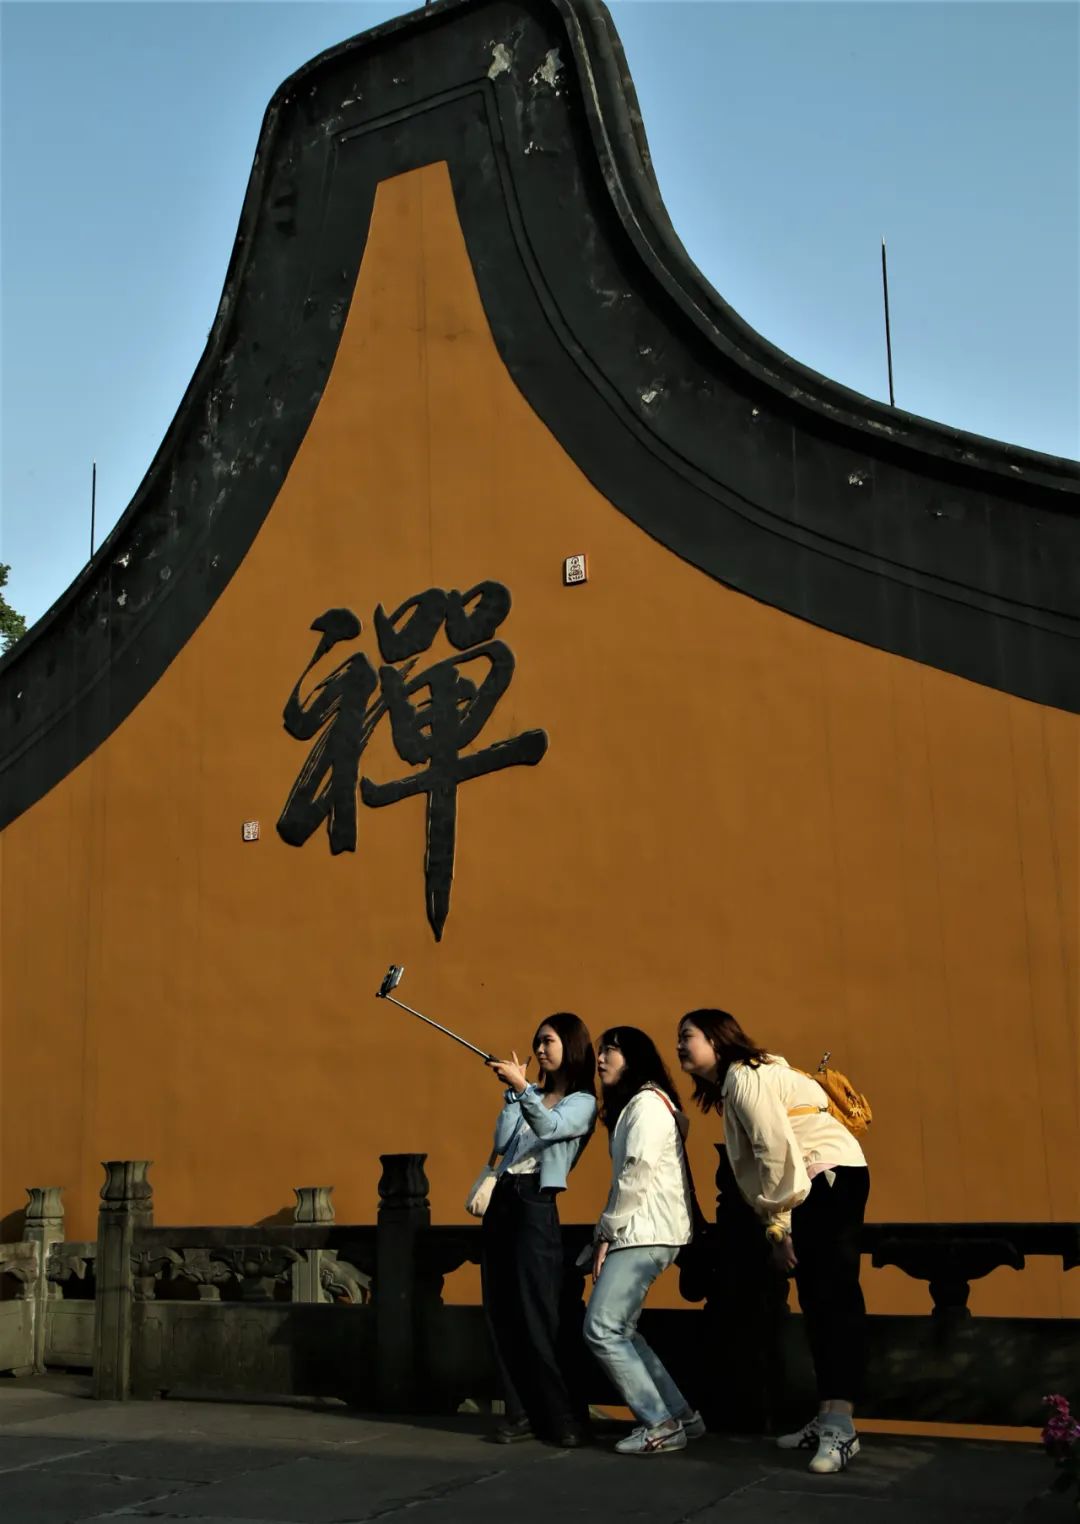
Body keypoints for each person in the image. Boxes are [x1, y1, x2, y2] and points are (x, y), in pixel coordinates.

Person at [676, 1008, 870, 1475]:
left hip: (824, 1179)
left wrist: (778, 1229)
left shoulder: (746, 1077)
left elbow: (774, 1151)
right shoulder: (743, 1079)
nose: (679, 1045)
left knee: (832, 1299)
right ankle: (827, 1417)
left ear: (717, 1040)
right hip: (824, 1179)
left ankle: (841, 1427)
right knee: (818, 1300)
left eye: (688, 1036)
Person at [582, 1026, 706, 1456]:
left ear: (633, 1058)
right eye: (600, 1051)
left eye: (610, 1051)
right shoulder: (644, 1104)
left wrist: (606, 1231)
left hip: (645, 1233)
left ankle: (659, 1423)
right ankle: (681, 1416)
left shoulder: (646, 1104)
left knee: (602, 1328)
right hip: (647, 1231)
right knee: (623, 1330)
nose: (601, 1059)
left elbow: (635, 1173)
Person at [483, 1013, 597, 1447]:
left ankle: (563, 1417)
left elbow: (550, 1129)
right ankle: (520, 1413)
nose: (540, 1050)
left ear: (571, 1044)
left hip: (535, 1201)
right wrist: (516, 1096)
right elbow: (501, 1142)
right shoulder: (532, 1094)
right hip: (503, 1197)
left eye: (548, 1041)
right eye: (537, 1042)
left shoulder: (581, 1102)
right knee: (502, 1308)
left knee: (539, 1311)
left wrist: (522, 1089)